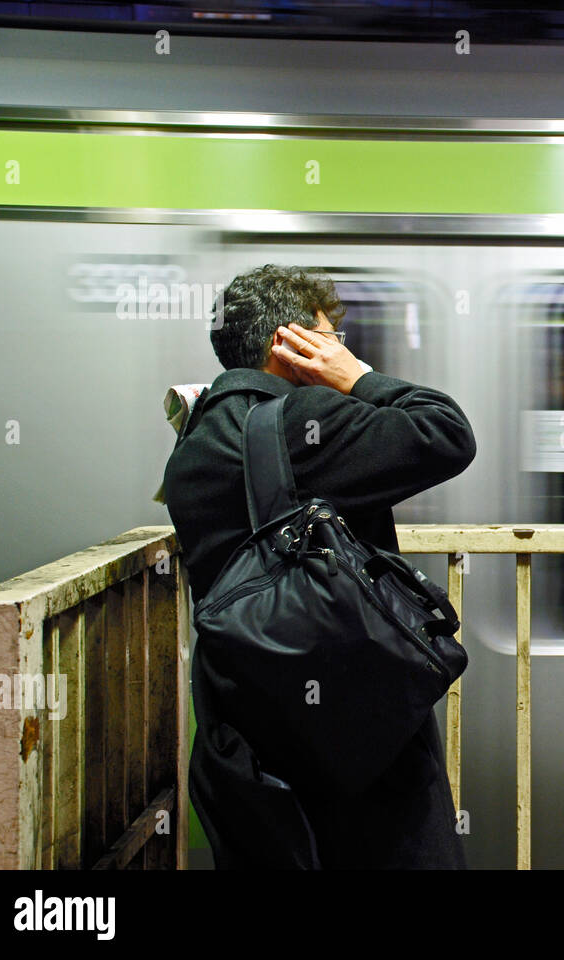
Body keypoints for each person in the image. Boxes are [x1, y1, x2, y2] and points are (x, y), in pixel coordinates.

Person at [163, 264, 476, 868]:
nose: (341, 350)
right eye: (330, 337)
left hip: (247, 730)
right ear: (294, 342)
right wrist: (356, 376)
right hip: (351, 726)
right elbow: (446, 433)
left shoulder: (193, 441)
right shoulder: (305, 421)